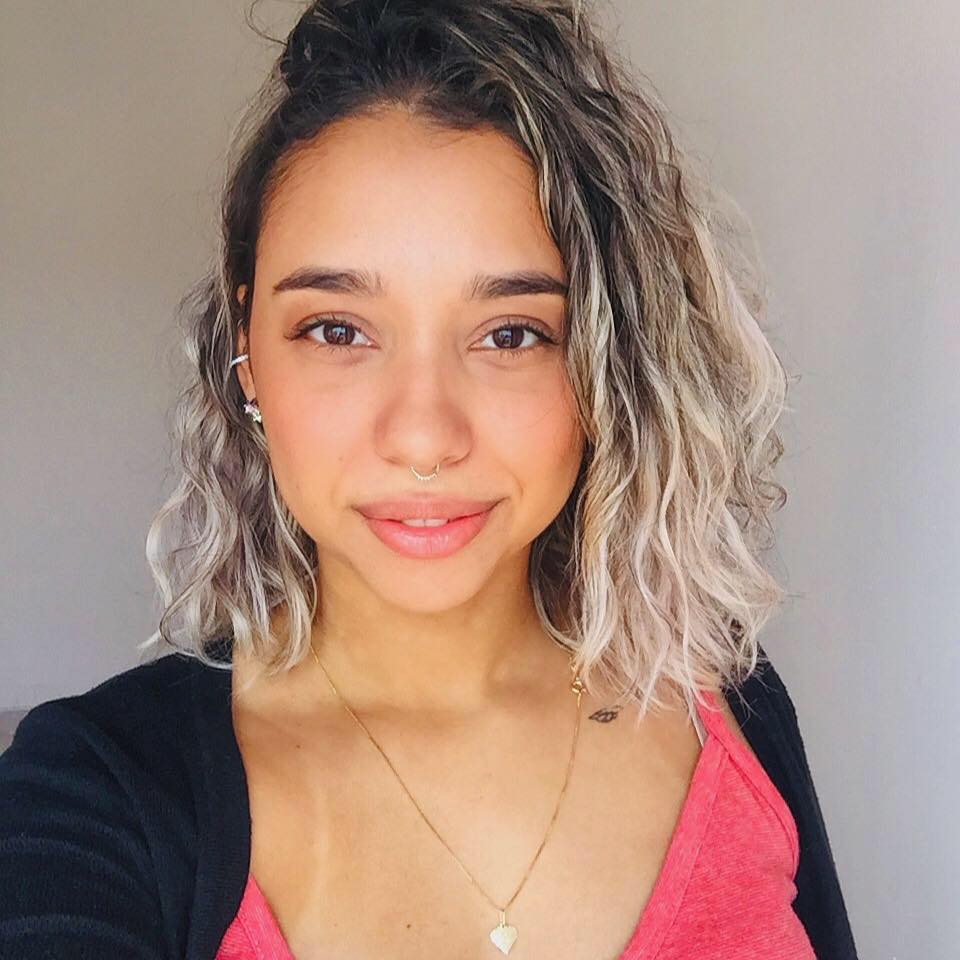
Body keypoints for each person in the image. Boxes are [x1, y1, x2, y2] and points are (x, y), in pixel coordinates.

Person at [0, 1, 859, 958]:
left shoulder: (730, 702)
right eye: (337, 330)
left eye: (511, 334)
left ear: (606, 363)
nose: (423, 435)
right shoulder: (93, 789)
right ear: (248, 357)